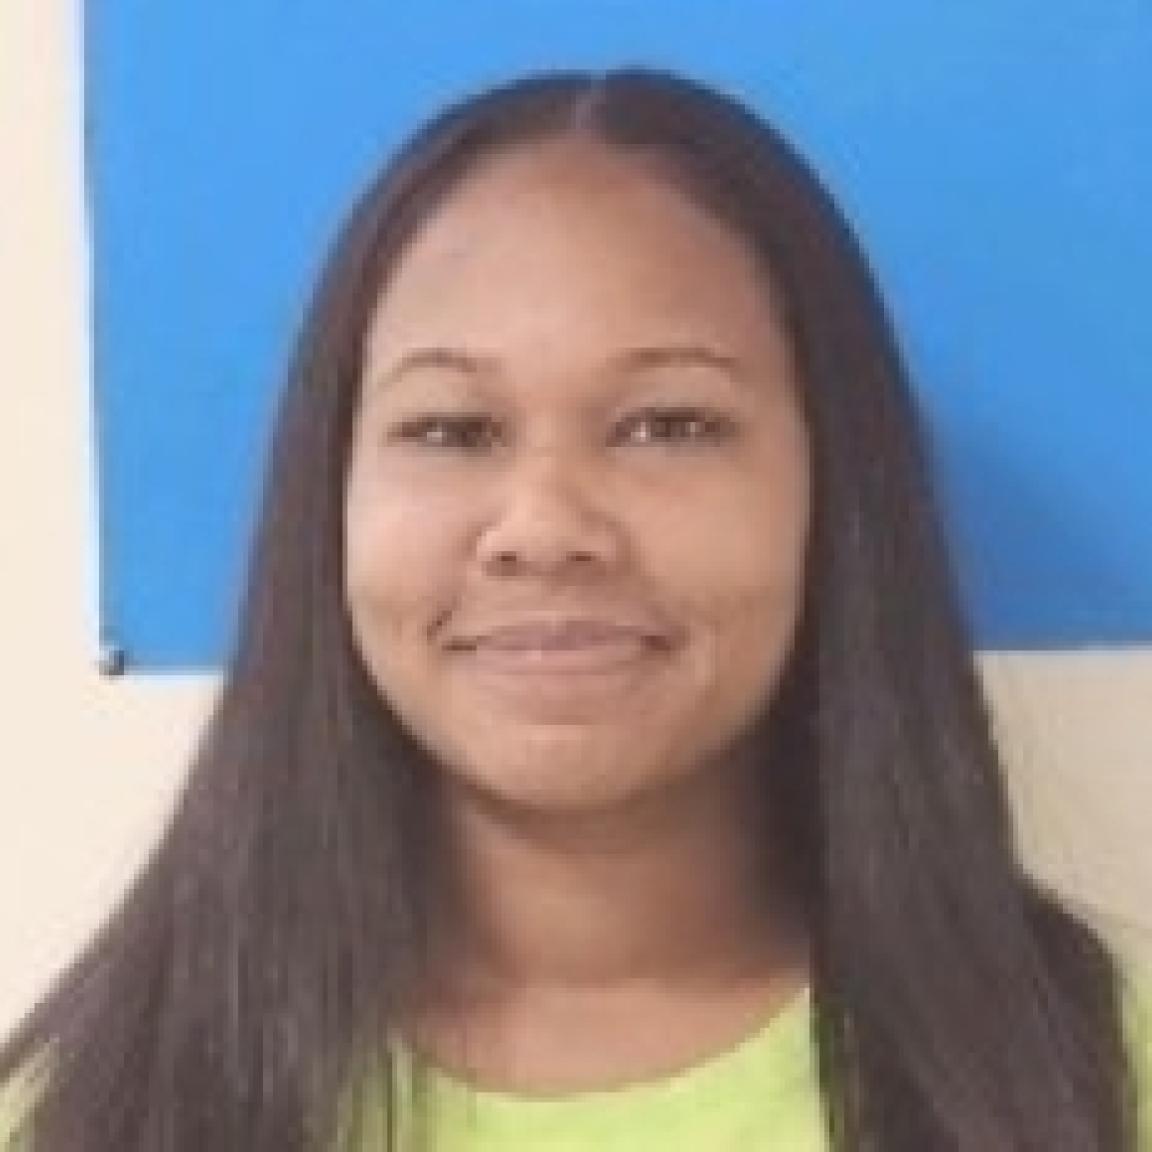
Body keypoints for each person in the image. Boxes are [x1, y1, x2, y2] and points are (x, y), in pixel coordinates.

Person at [1, 66, 1148, 1151]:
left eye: (667, 424)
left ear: (832, 482)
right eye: (452, 431)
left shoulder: (1088, 1078)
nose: (543, 526)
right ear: (330, 499)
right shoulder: (97, 1110)